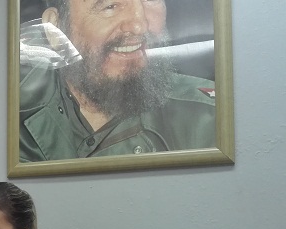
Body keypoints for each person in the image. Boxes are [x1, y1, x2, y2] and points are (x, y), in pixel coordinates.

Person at [19, 0, 216, 161]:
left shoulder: (209, 118)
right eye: (110, 6)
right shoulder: (11, 118)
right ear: (55, 29)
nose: (139, 26)